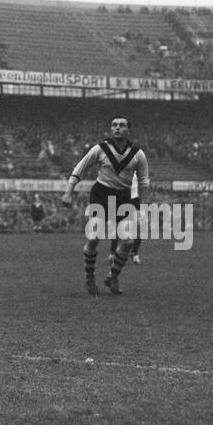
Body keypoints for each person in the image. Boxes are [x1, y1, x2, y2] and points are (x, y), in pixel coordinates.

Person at [62, 117, 149, 296]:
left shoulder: (138, 154)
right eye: (114, 125)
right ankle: (90, 277)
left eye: (122, 125)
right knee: (94, 237)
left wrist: (142, 206)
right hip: (101, 194)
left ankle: (113, 276)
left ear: (128, 130)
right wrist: (68, 192)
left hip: (124, 197)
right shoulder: (100, 149)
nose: (117, 128)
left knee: (128, 241)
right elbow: (80, 168)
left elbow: (143, 181)